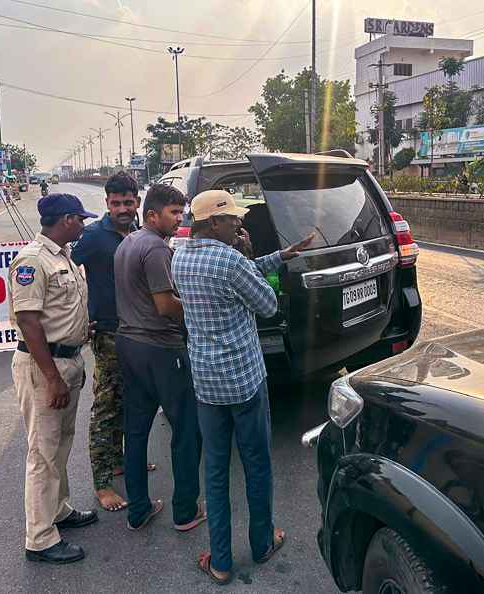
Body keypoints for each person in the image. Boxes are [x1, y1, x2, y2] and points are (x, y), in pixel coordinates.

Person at [170, 190, 312, 584]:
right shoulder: (232, 260)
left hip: (207, 383)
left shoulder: (180, 256)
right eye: (232, 219)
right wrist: (253, 260)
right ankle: (262, 543)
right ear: (212, 223)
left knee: (215, 471)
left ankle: (220, 561)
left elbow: (233, 279)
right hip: (244, 381)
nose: (239, 224)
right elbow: (267, 304)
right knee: (257, 464)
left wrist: (280, 255)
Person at [9, 193, 99, 564]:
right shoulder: (32, 260)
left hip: (68, 360)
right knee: (43, 454)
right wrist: (52, 379)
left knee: (61, 444)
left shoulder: (61, 256)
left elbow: (56, 312)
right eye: (80, 219)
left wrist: (80, 330)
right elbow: (28, 321)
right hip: (44, 367)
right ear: (65, 220)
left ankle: (57, 511)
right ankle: (40, 538)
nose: (83, 224)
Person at [113, 184, 205, 533]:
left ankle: (137, 509)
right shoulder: (155, 249)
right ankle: (185, 511)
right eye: (173, 213)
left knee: (135, 431)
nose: (179, 219)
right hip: (161, 349)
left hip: (129, 344)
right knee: (186, 429)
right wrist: (197, 308)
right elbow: (165, 306)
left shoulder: (128, 243)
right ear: (152, 215)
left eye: (182, 213)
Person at [72, 172, 155, 513]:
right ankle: (103, 482)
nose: (123, 208)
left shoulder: (140, 234)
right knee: (107, 407)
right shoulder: (93, 236)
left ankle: (121, 460)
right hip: (107, 334)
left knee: (133, 398)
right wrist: (80, 317)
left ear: (137, 202)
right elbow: (67, 275)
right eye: (116, 203)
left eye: (128, 202)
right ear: (107, 204)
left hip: (140, 331)